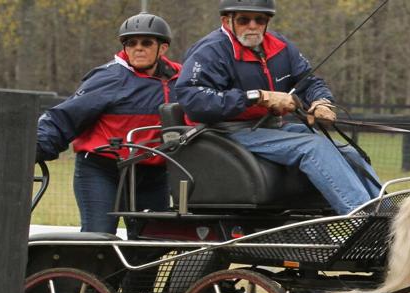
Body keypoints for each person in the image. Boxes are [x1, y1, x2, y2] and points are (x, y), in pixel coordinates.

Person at [174, 0, 382, 214]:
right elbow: (194, 99)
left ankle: (385, 216)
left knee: (349, 153)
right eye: (244, 20)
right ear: (227, 21)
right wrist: (257, 97)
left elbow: (308, 82)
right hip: (225, 132)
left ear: (267, 22)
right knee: (313, 147)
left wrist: (321, 102)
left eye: (260, 20)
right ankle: (361, 218)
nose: (252, 26)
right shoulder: (210, 51)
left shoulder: (280, 47)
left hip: (270, 128)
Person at [35, 13, 182, 234]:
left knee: (152, 243)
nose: (138, 48)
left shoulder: (179, 80)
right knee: (99, 238)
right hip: (102, 170)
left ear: (162, 49)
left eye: (146, 43)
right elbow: (65, 116)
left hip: (152, 174)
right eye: (131, 43)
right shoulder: (109, 77)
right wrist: (34, 148)